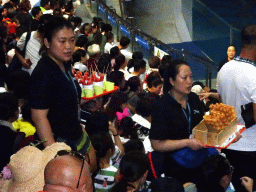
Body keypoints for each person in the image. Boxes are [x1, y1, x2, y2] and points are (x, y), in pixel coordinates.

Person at [28, 17, 96, 172]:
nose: (68, 46)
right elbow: (39, 117)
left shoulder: (64, 63)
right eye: (62, 41)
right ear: (47, 42)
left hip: (74, 131)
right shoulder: (43, 73)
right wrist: (55, 152)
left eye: (72, 40)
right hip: (59, 141)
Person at [209, 25, 256, 192]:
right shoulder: (253, 74)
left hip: (229, 143)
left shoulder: (223, 70)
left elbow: (222, 103)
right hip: (250, 147)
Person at [149, 59, 206, 183]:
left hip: (199, 160)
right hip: (175, 166)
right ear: (171, 81)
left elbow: (203, 126)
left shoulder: (193, 98)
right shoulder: (162, 106)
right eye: (184, 78)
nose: (189, 82)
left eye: (191, 77)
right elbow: (157, 144)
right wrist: (186, 142)